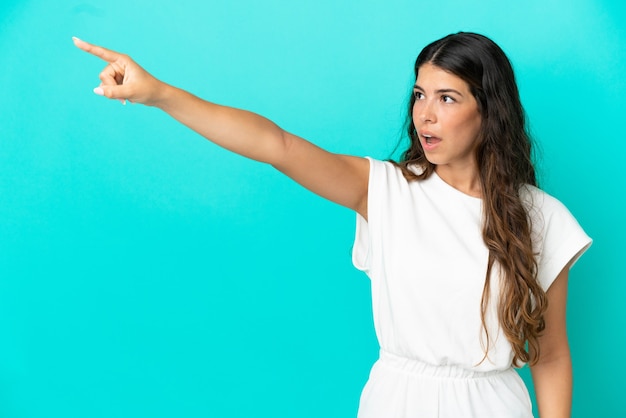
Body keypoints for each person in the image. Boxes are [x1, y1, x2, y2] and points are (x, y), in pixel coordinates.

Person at [73, 32, 591, 417]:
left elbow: (550, 355)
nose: (424, 115)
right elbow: (275, 144)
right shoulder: (386, 191)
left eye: (447, 98)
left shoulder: (541, 218)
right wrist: (160, 93)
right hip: (398, 401)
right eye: (419, 94)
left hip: (493, 405)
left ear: (489, 111)